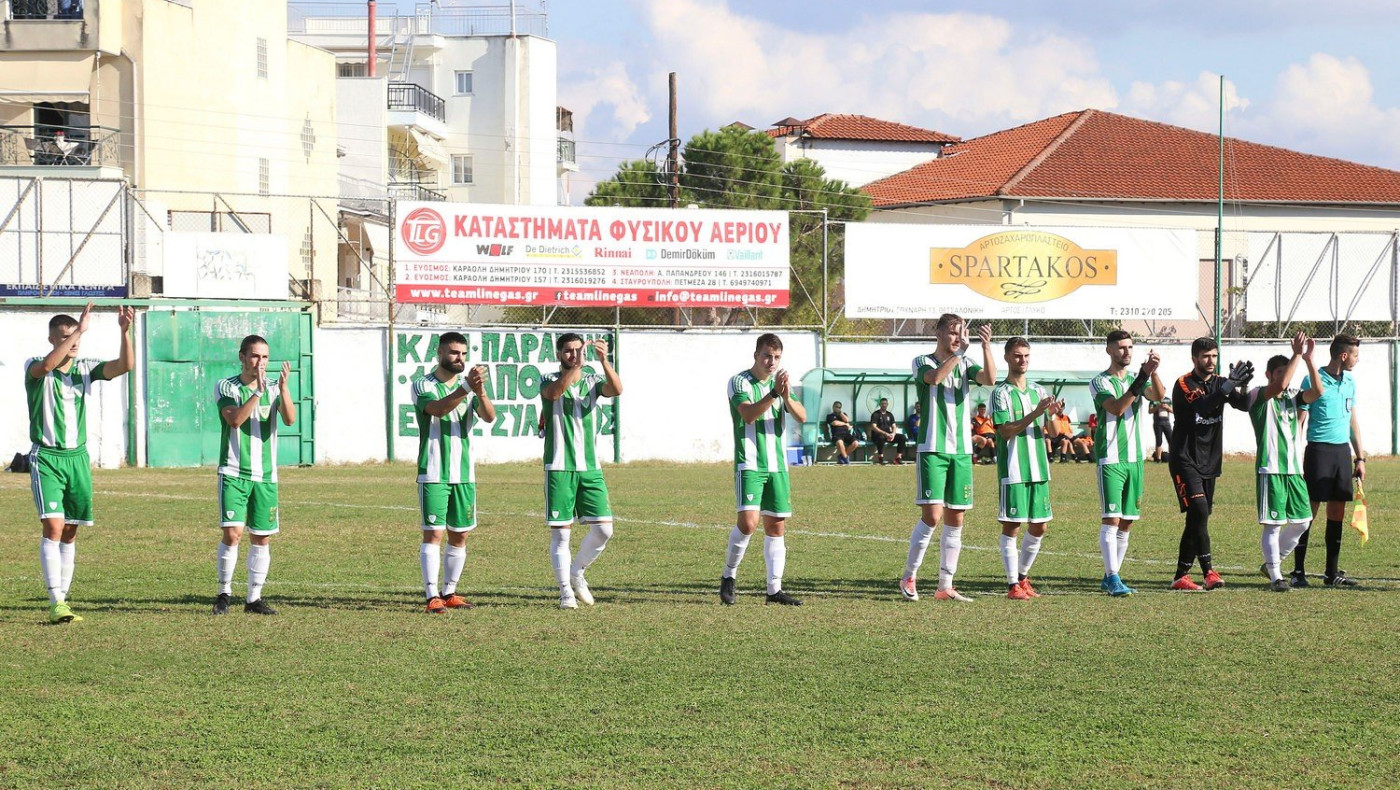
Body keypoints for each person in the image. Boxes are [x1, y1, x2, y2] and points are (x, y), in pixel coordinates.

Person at [26, 303, 134, 623]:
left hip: (78, 459)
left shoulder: (86, 369)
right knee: (54, 526)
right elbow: (48, 364)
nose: (73, 341)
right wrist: (80, 330)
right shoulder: (35, 366)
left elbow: (124, 365)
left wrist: (124, 332)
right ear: (52, 339)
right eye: (65, 336)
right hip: (48, 457)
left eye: (75, 336)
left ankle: (64, 598)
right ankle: (56, 600)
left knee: (71, 531)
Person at [900, 313, 997, 603]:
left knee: (956, 517)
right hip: (933, 447)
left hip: (962, 450)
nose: (958, 337)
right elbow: (935, 378)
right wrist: (960, 354)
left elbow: (990, 379)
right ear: (939, 333)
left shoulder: (965, 362)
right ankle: (909, 576)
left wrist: (986, 346)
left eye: (962, 333)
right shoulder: (923, 361)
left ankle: (945, 585)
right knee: (932, 516)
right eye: (953, 332)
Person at [412, 332, 497, 614]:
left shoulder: (469, 388)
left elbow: (489, 417)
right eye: (453, 353)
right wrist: (465, 388)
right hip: (434, 471)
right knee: (433, 534)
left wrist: (479, 391)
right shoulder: (423, 384)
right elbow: (437, 409)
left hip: (464, 473)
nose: (459, 358)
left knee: (459, 535)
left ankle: (449, 592)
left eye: (463, 354)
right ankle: (431, 596)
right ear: (439, 353)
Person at [720, 333, 808, 606]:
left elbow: (802, 416)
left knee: (776, 526)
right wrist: (774, 394)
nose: (772, 362)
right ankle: (729, 576)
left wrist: (786, 395)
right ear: (756, 355)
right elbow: (747, 414)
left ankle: (774, 590)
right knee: (748, 523)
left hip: (777, 465)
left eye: (777, 357)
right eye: (767, 356)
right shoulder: (739, 382)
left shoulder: (779, 385)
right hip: (750, 463)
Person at [213, 335, 297, 615]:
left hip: (266, 475)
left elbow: (290, 419)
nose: (260, 362)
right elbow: (235, 420)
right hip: (234, 471)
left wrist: (283, 389)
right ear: (242, 357)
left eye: (265, 357)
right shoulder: (226, 386)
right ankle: (224, 593)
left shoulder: (274, 387)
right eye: (254, 356)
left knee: (261, 537)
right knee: (233, 533)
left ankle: (253, 599)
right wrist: (258, 393)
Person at [540, 334, 622, 609]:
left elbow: (617, 389)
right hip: (559, 467)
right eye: (568, 351)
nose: (574, 355)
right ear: (558, 354)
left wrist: (604, 361)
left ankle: (577, 572)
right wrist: (576, 367)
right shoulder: (548, 379)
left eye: (578, 350)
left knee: (604, 530)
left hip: (590, 467)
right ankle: (565, 592)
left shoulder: (592, 381)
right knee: (561, 534)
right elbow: (554, 394)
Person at [1168, 337, 1253, 591]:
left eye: (1214, 356)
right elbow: (1203, 407)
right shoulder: (1184, 383)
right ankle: (1208, 572)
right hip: (1185, 458)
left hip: (1209, 460)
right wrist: (1227, 386)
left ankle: (1180, 576)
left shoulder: (1219, 383)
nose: (1210, 361)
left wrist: (1243, 386)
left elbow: (1244, 405)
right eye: (1205, 356)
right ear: (1194, 358)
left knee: (1197, 517)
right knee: (1200, 510)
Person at [1089, 330, 1165, 597]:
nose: (1126, 352)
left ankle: (1112, 575)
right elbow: (1117, 408)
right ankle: (1112, 576)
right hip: (1111, 458)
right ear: (1109, 350)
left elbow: (1157, 395)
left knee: (1128, 521)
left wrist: (1153, 372)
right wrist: (1143, 376)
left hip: (1135, 459)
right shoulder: (1099, 382)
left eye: (1130, 347)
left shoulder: (1135, 378)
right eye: (1121, 347)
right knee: (1112, 518)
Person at [1248, 333, 1323, 592]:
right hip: (1271, 469)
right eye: (1280, 372)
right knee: (1274, 525)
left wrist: (1309, 360)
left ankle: (1272, 562)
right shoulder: (1259, 395)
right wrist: (1296, 355)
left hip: (1294, 470)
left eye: (1287, 371)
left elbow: (1318, 392)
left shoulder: (1292, 397)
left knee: (1303, 521)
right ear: (1269, 375)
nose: (1285, 377)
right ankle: (1276, 577)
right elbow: (1279, 385)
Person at [1292, 333, 1366, 587]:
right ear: (1343, 356)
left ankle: (1331, 574)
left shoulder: (1350, 382)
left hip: (1341, 453)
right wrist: (1294, 454)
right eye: (1355, 355)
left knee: (1337, 513)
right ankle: (1298, 572)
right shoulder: (1313, 379)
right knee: (1308, 513)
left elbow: (1352, 421)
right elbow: (1299, 421)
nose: (1357, 360)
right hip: (1318, 452)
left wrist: (1360, 458)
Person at [989, 338, 1061, 599]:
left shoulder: (1039, 391)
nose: (1023, 360)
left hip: (1038, 468)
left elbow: (1054, 433)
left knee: (1040, 526)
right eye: (1018, 355)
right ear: (1007, 358)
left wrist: (1052, 414)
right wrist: (1035, 413)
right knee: (1012, 526)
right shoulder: (1000, 393)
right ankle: (1012, 585)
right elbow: (1005, 431)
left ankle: (1022, 577)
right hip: (1014, 469)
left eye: (1026, 355)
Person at [868, 397, 907, 465]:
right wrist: (885, 433)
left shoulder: (890, 414)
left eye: (885, 404)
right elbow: (873, 427)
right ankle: (880, 457)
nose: (884, 405)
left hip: (888, 435)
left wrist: (893, 434)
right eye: (882, 404)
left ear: (887, 404)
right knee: (881, 437)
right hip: (877, 435)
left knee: (902, 437)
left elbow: (894, 426)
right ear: (880, 404)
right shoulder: (875, 414)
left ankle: (898, 458)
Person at [1150, 398, 1173, 462]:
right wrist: (1158, 407)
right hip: (1157, 423)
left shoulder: (1168, 400)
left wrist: (1167, 407)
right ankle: (1158, 459)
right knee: (1159, 441)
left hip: (1167, 423)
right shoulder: (1153, 400)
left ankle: (1172, 457)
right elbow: (1150, 411)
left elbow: (1173, 411)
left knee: (1171, 440)